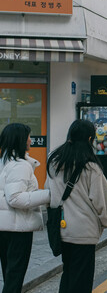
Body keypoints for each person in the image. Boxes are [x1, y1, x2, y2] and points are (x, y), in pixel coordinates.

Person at [46, 120, 107, 293]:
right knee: (81, 280)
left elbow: (50, 193)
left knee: (68, 274)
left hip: (62, 229)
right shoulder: (91, 167)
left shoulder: (54, 162)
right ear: (90, 138)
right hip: (84, 231)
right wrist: (104, 222)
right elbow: (101, 201)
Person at [0, 123, 50, 293]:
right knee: (14, 277)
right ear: (19, 140)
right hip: (17, 228)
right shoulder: (20, 165)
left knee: (9, 275)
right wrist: (47, 195)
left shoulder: (4, 161)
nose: (30, 140)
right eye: (28, 136)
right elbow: (15, 198)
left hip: (5, 227)